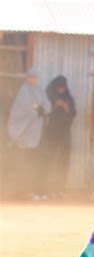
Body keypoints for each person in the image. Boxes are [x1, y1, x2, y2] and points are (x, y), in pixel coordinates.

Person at [7, 68, 49, 199]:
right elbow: (27, 108)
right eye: (31, 77)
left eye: (35, 77)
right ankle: (21, 191)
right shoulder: (23, 91)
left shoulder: (39, 90)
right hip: (22, 133)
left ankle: (32, 190)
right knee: (23, 163)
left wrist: (43, 110)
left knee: (34, 163)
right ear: (27, 78)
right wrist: (38, 110)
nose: (33, 80)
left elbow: (47, 105)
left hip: (36, 134)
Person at [43, 75, 76, 197]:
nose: (61, 89)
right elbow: (45, 112)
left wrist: (67, 108)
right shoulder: (49, 97)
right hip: (51, 134)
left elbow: (73, 113)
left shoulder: (68, 98)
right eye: (59, 87)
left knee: (63, 161)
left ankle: (60, 189)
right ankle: (46, 189)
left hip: (65, 134)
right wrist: (57, 104)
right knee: (49, 160)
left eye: (63, 87)